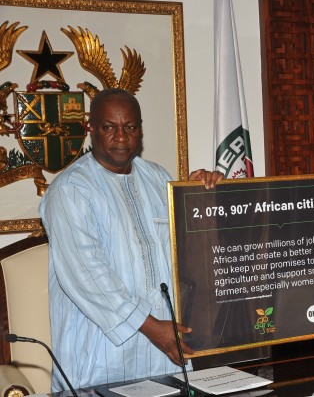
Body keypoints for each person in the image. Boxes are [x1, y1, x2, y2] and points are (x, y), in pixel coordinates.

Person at [39, 88, 223, 391]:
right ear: (90, 129)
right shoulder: (71, 190)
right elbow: (88, 275)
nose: (121, 137)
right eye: (109, 127)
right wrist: (152, 329)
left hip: (165, 352)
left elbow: (187, 250)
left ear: (140, 129)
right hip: (100, 355)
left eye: (130, 127)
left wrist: (201, 195)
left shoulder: (157, 177)